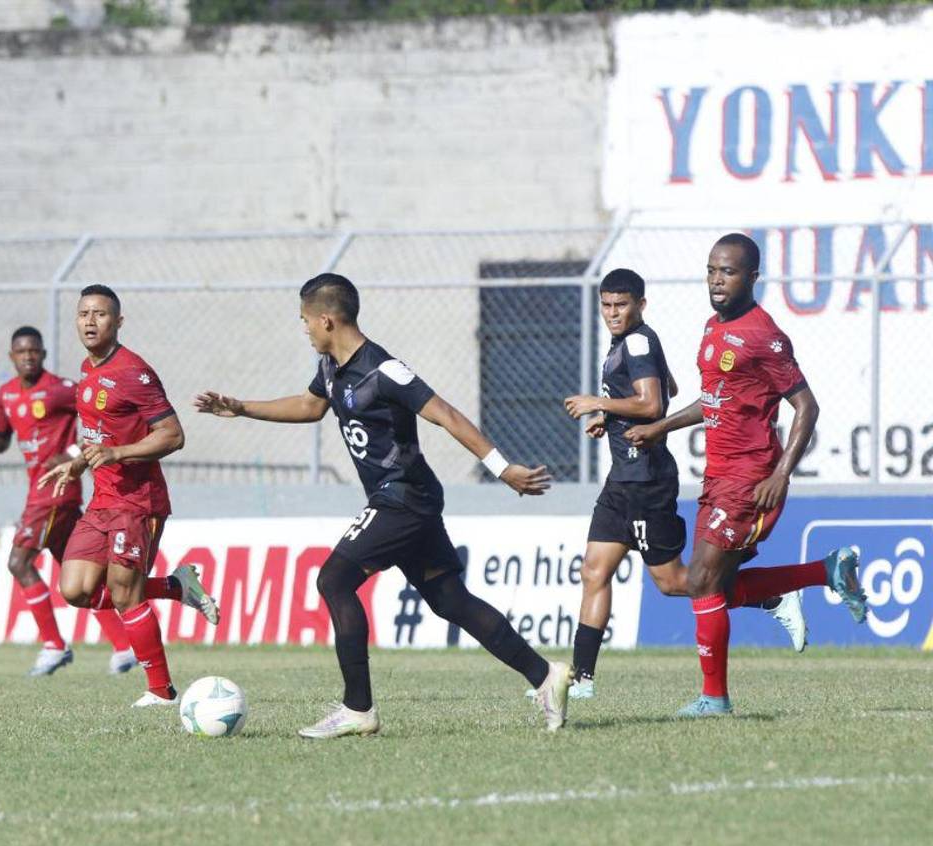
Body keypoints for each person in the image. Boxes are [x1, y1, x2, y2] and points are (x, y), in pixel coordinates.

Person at [195, 273, 573, 738]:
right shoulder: (333, 368)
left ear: (327, 320)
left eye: (305, 322)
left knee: (333, 579)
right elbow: (310, 407)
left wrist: (502, 468)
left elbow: (447, 415)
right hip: (400, 499)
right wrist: (241, 407)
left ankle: (358, 709)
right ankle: (545, 676)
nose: (305, 330)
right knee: (450, 600)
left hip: (404, 499)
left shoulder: (384, 371)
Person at [626, 234, 867, 717]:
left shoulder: (765, 336)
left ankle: (714, 698)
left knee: (698, 582)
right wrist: (662, 426)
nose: (717, 280)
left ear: (752, 277)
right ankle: (824, 571)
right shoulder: (714, 328)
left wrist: (780, 473)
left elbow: (807, 406)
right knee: (707, 586)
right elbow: (716, 400)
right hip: (717, 475)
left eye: (728, 272)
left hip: (751, 478)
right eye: (712, 270)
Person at [561, 269, 806, 700]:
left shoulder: (636, 341)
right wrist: (614, 416)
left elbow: (653, 402)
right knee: (593, 570)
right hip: (622, 478)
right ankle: (581, 681)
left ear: (640, 305)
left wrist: (599, 402)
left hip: (646, 480)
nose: (612, 313)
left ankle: (769, 597)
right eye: (606, 305)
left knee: (683, 583)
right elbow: (668, 386)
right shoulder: (633, 341)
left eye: (621, 305)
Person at [39, 285, 220, 708]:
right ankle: (178, 588)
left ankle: (161, 691)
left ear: (118, 322)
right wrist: (80, 463)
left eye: (100, 314)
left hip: (139, 502)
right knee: (76, 589)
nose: (89, 321)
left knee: (124, 594)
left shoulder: (134, 373)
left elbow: (173, 435)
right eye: (83, 313)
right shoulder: (88, 371)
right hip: (102, 500)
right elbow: (98, 435)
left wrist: (118, 453)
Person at [0, 326, 137, 677]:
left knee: (19, 561)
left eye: (34, 351)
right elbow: (3, 440)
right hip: (39, 491)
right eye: (21, 351)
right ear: (12, 356)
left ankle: (54, 645)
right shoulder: (6, 395)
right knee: (80, 575)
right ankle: (125, 647)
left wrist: (73, 453)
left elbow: (99, 416)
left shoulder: (62, 390)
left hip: (56, 492)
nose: (28, 356)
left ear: (43, 354)